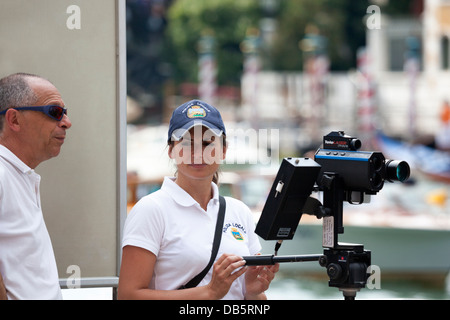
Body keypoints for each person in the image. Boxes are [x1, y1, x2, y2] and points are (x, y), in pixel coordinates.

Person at [119, 99, 279, 300]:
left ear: (223, 151)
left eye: (207, 143)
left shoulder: (239, 210)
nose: (197, 153)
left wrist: (252, 292)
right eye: (186, 143)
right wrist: (210, 292)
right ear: (171, 150)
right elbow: (128, 295)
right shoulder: (151, 209)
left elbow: (252, 299)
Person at [0, 73, 72, 300]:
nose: (66, 122)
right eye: (55, 112)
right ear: (14, 120)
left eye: (65, 113)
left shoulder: (17, 174)